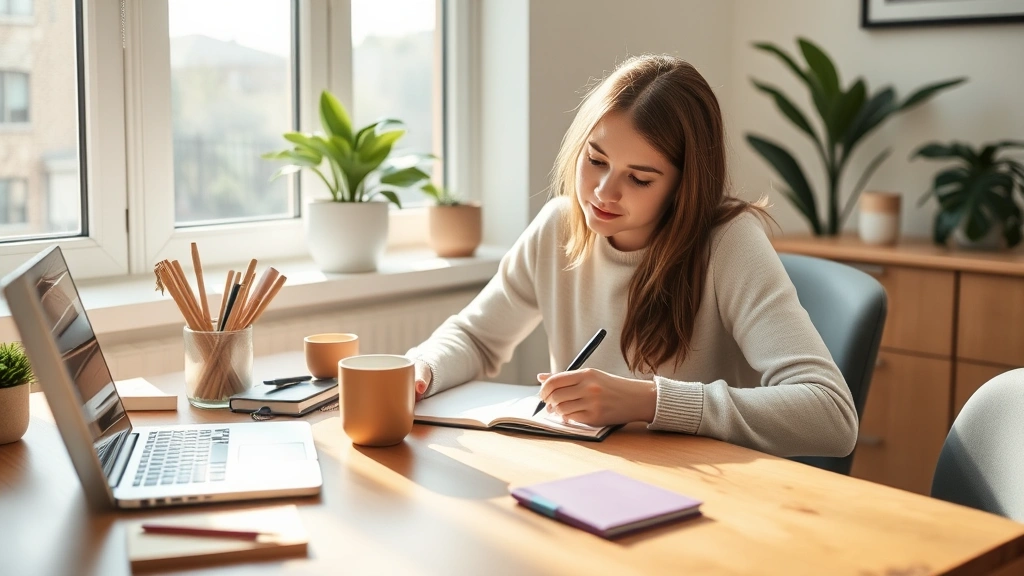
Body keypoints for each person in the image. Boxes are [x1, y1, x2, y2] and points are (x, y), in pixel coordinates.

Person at [406, 54, 857, 458]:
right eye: (596, 160)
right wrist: (423, 369)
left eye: (639, 179)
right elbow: (477, 338)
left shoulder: (729, 242)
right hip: (592, 478)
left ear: (685, 186)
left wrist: (651, 401)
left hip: (708, 497)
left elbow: (831, 415)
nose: (603, 193)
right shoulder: (560, 225)